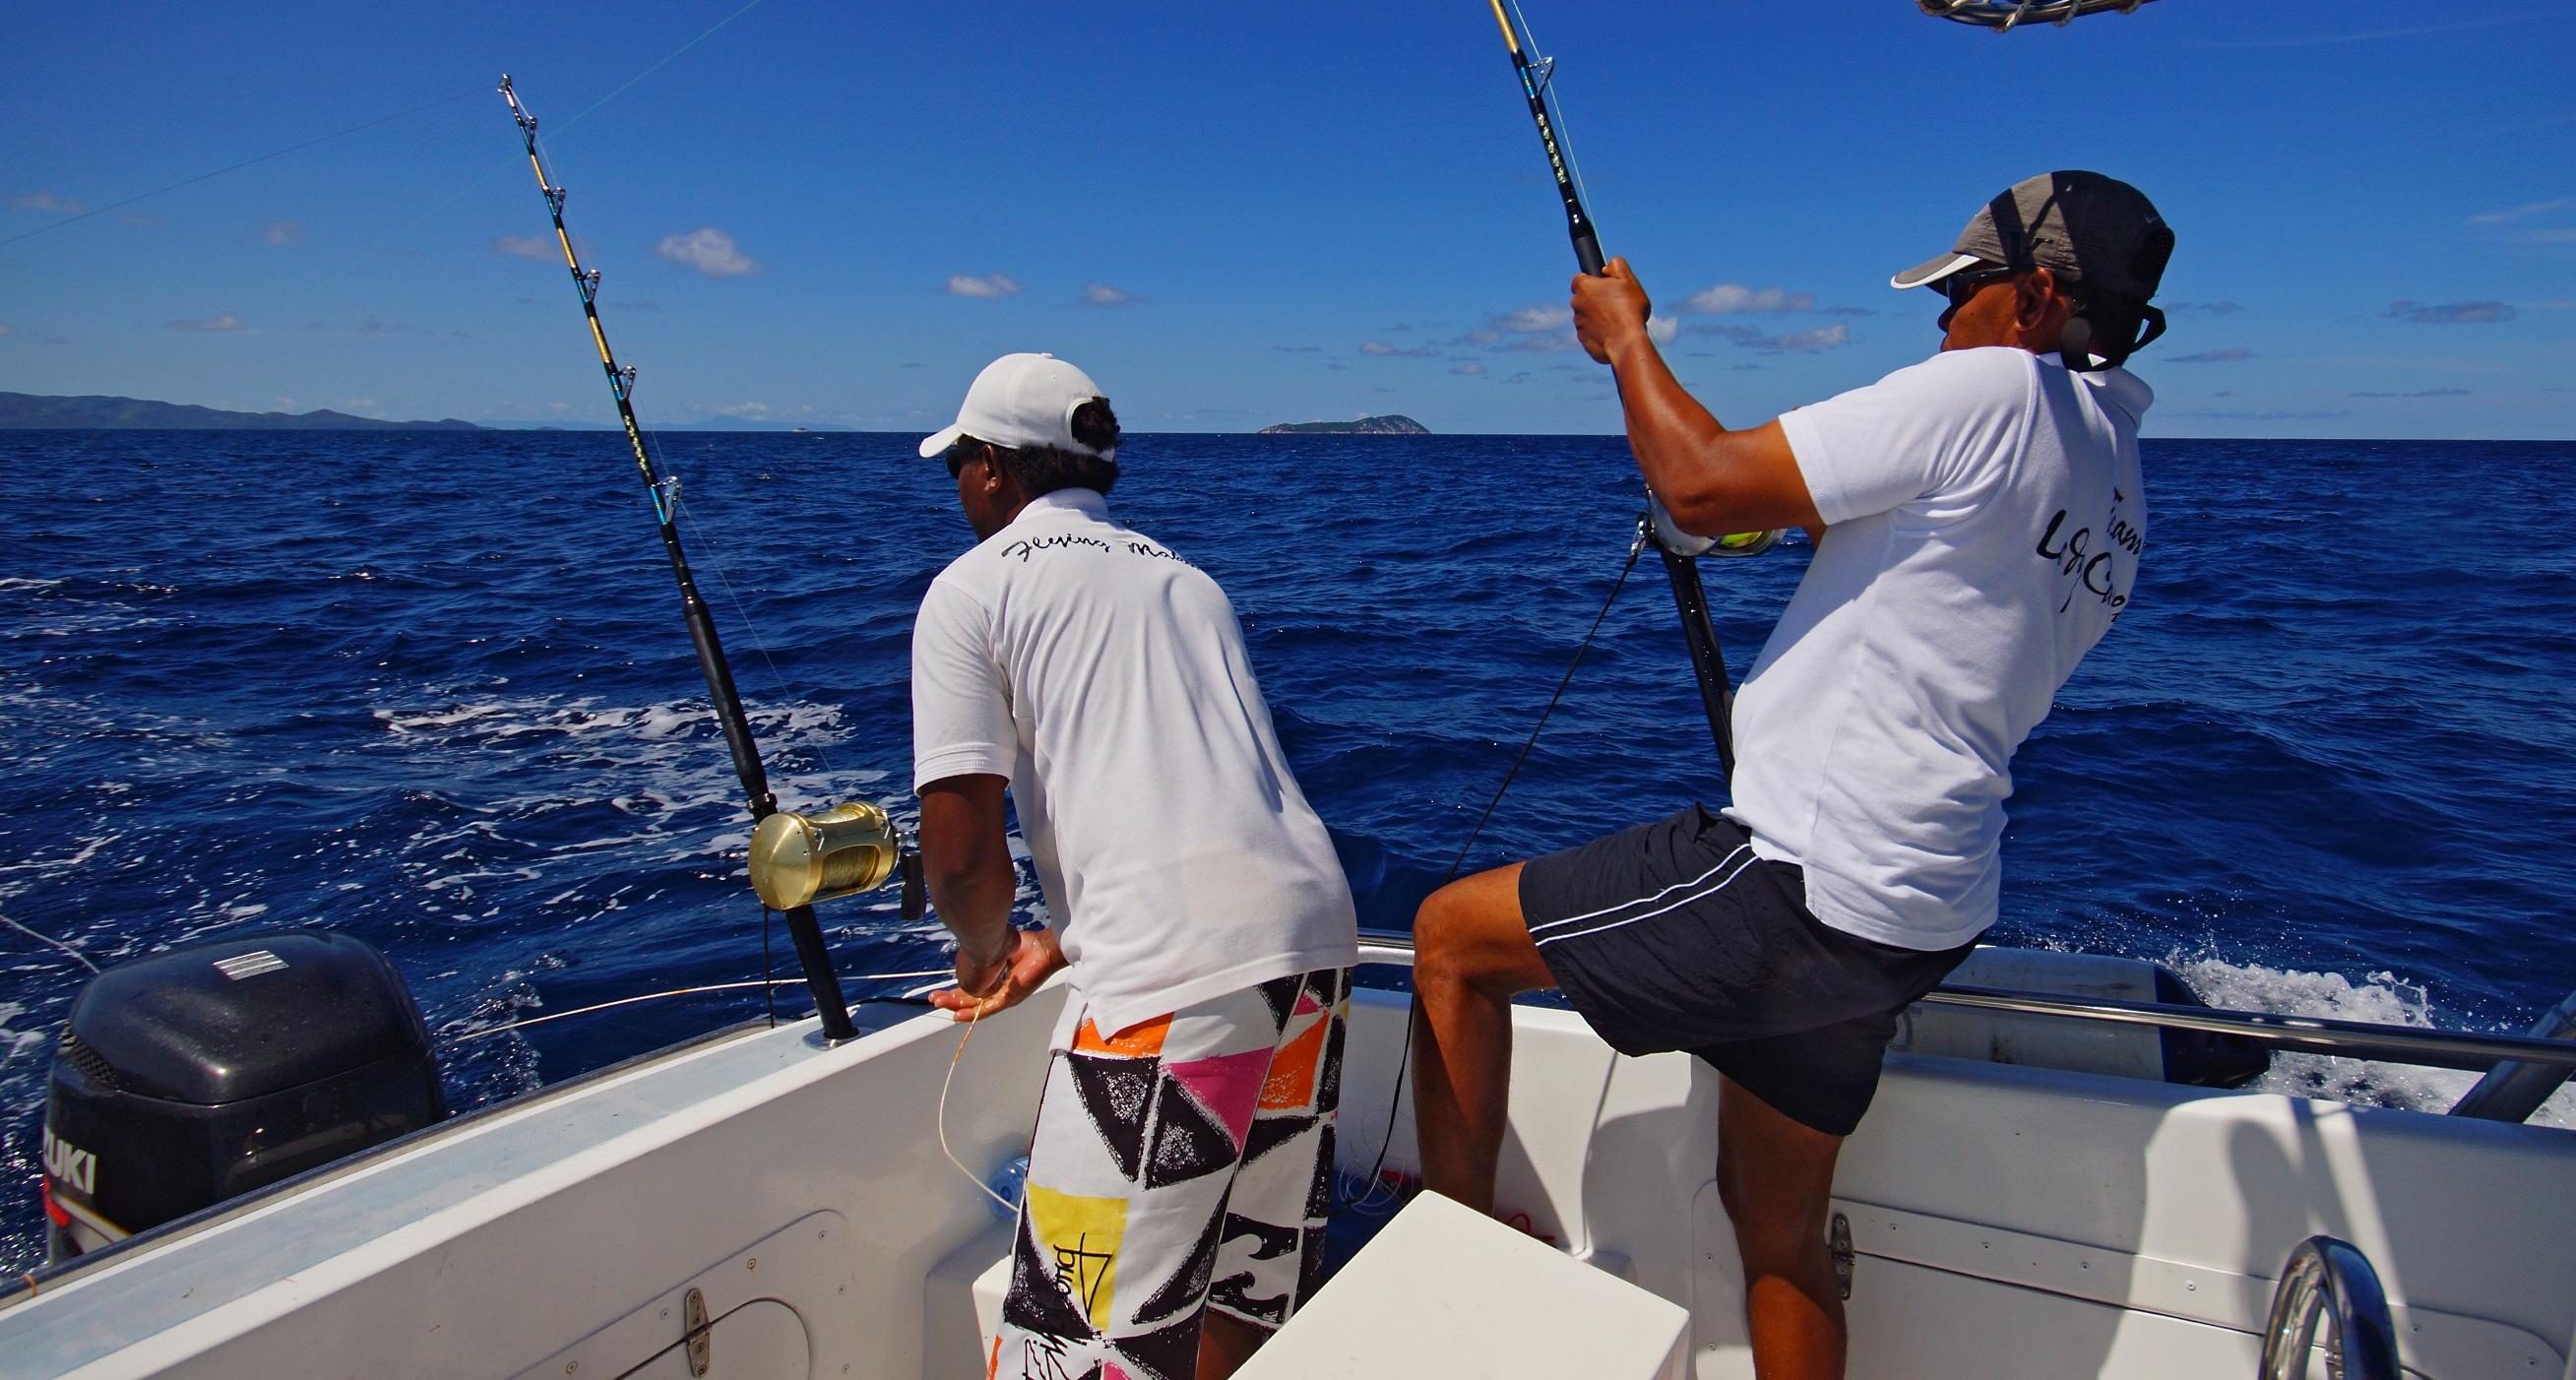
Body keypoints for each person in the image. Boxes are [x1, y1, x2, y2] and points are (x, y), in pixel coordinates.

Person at [1410, 173, 2172, 1380]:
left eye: (1962, 292)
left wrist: (1626, 344)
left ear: (2030, 298)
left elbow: (1700, 478)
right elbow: (1869, 535)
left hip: (1802, 883)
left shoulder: (1992, 390)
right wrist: (1727, 517)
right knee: (1774, 1227)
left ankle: (1440, 1271)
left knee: (1448, 939)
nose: (1941, 321)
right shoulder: (2114, 478)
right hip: (1920, 908)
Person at [909, 351, 1360, 1380]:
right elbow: (1190, 808)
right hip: (1309, 950)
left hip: (1171, 983)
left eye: (958, 466)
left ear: (990, 466)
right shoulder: (1184, 579)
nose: (958, 488)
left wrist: (985, 952)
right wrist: (1058, 942)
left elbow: (963, 855)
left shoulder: (973, 588)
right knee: (1246, 1286)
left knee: (1074, 1354)